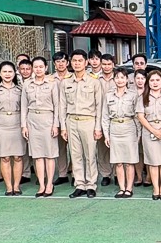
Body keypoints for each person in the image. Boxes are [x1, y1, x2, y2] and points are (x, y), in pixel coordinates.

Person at [59, 49, 104, 199]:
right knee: (75, 155)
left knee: (90, 154)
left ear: (86, 63)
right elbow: (62, 106)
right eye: (74, 61)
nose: (77, 63)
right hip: (71, 121)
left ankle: (91, 184)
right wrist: (63, 127)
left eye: (80, 61)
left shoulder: (94, 82)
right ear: (70, 63)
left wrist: (98, 127)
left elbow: (99, 106)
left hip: (88, 121)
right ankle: (79, 184)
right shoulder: (66, 82)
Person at [0, 61, 25, 196]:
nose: (7, 74)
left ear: (14, 73)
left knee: (18, 157)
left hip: (17, 124)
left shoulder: (21, 89)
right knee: (5, 157)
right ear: (0, 73)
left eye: (10, 71)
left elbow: (25, 109)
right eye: (4, 72)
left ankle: (17, 186)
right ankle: (9, 187)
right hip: (1, 125)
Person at [22, 56, 60, 197]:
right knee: (37, 156)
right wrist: (23, 125)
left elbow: (57, 105)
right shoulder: (27, 84)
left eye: (40, 67)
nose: (38, 69)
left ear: (45, 68)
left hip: (48, 120)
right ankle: (41, 184)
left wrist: (56, 125)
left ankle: (49, 184)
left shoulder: (52, 83)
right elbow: (24, 106)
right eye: (35, 67)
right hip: (32, 121)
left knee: (49, 155)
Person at [102, 68, 140, 198]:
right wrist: (106, 135)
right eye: (117, 77)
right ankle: (121, 188)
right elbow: (105, 116)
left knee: (129, 161)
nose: (120, 80)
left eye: (122, 78)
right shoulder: (108, 95)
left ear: (127, 80)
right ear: (114, 79)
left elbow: (137, 116)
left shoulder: (133, 95)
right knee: (118, 162)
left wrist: (138, 134)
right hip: (114, 128)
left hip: (129, 128)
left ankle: (129, 188)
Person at [138, 70, 161, 199]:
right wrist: (154, 130)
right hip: (149, 130)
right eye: (152, 80)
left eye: (157, 80)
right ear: (148, 82)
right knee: (153, 161)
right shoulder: (143, 96)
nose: (155, 83)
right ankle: (155, 188)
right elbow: (140, 116)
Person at [51, 51, 73, 186]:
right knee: (60, 148)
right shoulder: (49, 78)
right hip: (55, 118)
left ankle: (76, 174)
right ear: (54, 64)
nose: (60, 64)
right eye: (58, 61)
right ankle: (63, 174)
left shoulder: (73, 77)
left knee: (75, 148)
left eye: (63, 61)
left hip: (70, 115)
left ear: (67, 63)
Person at [96, 54, 117, 187]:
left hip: (116, 117)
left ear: (113, 65)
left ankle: (116, 173)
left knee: (117, 147)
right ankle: (105, 174)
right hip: (100, 116)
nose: (107, 67)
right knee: (102, 148)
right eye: (104, 64)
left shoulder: (120, 77)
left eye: (109, 64)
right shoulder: (95, 79)